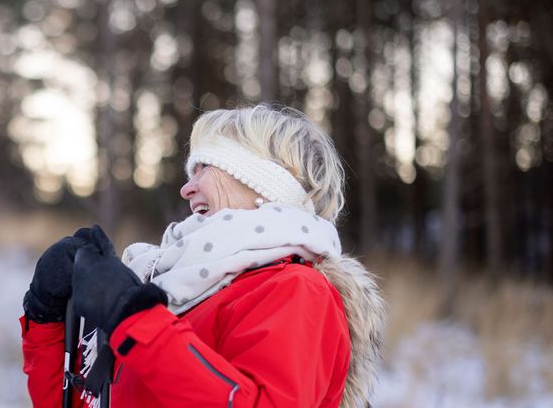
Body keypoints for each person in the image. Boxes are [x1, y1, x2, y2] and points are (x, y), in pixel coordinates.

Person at [21, 105, 385, 407]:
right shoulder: (181, 287)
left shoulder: (296, 290)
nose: (187, 188)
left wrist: (135, 320)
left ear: (267, 183)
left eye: (205, 167)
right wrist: (48, 320)